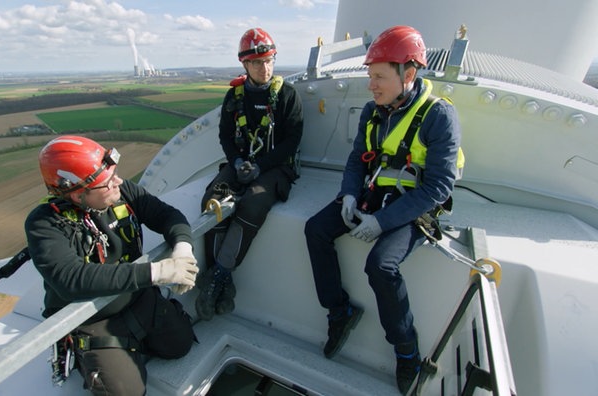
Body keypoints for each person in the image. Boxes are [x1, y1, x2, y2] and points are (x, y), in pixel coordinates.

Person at [304, 25, 463, 394]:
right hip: (373, 193)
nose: (371, 85)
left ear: (408, 75)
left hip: (413, 203)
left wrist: (382, 222)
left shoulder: (439, 116)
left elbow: (439, 186)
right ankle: (339, 311)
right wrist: (348, 195)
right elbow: (357, 161)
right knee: (316, 229)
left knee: (380, 265)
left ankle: (407, 352)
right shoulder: (375, 111)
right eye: (369, 76)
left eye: (379, 76)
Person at [25, 135, 200, 395]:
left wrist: (182, 248)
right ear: (76, 193)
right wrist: (157, 272)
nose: (117, 182)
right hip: (93, 319)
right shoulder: (44, 225)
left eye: (114, 174)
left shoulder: (122, 192)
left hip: (137, 299)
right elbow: (71, 280)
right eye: (106, 183)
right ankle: (97, 355)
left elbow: (167, 215)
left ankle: (132, 345)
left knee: (180, 345)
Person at [195, 27, 304, 321]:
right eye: (257, 63)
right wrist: (239, 161)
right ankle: (221, 276)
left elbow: (292, 140)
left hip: (275, 166)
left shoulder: (287, 96)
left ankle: (219, 273)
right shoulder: (234, 96)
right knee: (212, 199)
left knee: (253, 203)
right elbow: (226, 136)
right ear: (245, 64)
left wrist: (260, 167)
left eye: (269, 61)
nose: (264, 68)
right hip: (241, 161)